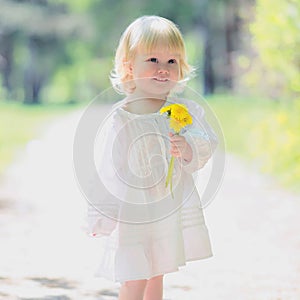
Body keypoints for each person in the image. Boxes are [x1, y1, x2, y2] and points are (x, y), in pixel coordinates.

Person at [87, 15, 218, 300]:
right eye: (153, 61)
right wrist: (104, 213)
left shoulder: (184, 111)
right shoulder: (122, 118)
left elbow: (205, 142)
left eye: (172, 62)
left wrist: (187, 148)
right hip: (134, 208)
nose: (163, 70)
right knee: (134, 274)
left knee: (157, 269)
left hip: (165, 208)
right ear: (129, 67)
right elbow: (109, 169)